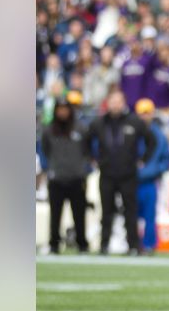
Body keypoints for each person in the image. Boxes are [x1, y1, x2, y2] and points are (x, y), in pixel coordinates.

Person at [87, 90, 156, 255]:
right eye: (113, 101)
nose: (115, 104)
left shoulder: (134, 121)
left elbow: (151, 140)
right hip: (107, 173)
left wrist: (143, 160)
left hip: (128, 174)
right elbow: (86, 140)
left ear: (124, 103)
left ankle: (133, 245)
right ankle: (104, 245)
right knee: (106, 211)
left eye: (119, 101)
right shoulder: (99, 122)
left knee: (130, 211)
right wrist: (92, 159)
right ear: (108, 103)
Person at [40, 97, 90, 254]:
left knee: (79, 214)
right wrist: (50, 168)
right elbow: (44, 151)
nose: (62, 112)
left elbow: (87, 150)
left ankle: (82, 244)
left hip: (77, 177)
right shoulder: (49, 130)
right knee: (55, 214)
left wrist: (83, 169)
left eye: (65, 108)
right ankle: (54, 244)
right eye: (59, 109)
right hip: (57, 178)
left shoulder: (80, 129)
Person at [134, 99, 169, 254]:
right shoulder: (132, 131)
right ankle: (133, 243)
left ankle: (149, 245)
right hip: (131, 180)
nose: (144, 116)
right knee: (132, 215)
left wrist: (156, 170)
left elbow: (167, 159)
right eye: (141, 113)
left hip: (150, 181)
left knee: (150, 215)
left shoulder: (159, 135)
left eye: (147, 113)